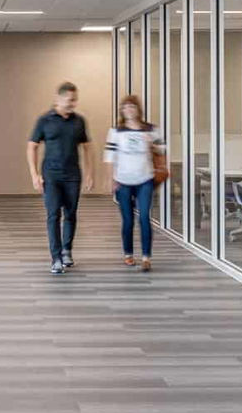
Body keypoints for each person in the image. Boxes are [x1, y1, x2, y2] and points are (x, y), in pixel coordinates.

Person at [27, 81, 93, 275]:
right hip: (51, 175)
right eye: (69, 100)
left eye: (75, 100)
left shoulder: (79, 121)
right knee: (53, 215)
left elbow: (88, 147)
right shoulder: (44, 120)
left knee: (71, 214)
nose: (73, 103)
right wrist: (34, 174)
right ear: (58, 98)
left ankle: (67, 251)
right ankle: (55, 258)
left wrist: (90, 174)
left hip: (73, 175)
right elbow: (32, 146)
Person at [104, 94, 164, 272]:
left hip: (145, 179)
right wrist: (111, 179)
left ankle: (146, 257)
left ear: (138, 110)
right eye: (125, 107)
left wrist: (152, 145)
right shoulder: (116, 131)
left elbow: (162, 149)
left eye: (132, 107)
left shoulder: (151, 129)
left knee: (144, 217)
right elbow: (109, 157)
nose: (129, 110)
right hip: (123, 181)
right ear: (122, 111)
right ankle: (128, 254)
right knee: (128, 220)